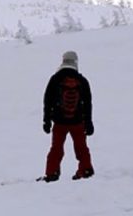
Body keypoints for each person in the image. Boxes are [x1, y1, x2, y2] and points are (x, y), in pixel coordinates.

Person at [42, 51, 94, 181]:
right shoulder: (82, 80)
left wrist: (46, 121)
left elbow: (47, 101)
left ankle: (52, 173)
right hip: (78, 122)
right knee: (81, 147)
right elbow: (88, 103)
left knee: (56, 148)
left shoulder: (55, 79)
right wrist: (88, 122)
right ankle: (85, 170)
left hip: (59, 122)